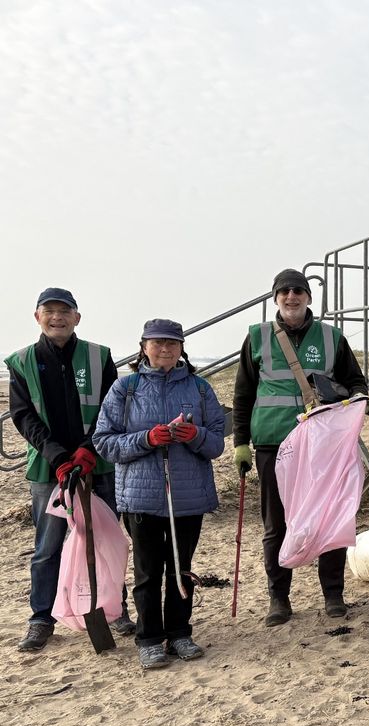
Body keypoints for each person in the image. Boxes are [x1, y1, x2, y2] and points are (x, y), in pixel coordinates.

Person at [232, 269, 368, 626]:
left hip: (321, 446)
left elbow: (356, 383)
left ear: (308, 297)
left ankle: (333, 594)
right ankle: (279, 599)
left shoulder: (331, 337)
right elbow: (244, 393)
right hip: (272, 442)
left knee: (329, 517)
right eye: (284, 292)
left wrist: (348, 408)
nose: (291, 297)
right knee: (276, 523)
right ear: (275, 298)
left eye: (298, 291)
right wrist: (241, 442)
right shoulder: (258, 337)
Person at [5, 287, 134, 652]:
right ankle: (41, 618)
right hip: (49, 470)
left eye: (65, 311)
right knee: (47, 547)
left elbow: (113, 408)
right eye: (49, 311)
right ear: (37, 317)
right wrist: (58, 456)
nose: (57, 317)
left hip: (99, 464)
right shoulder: (22, 361)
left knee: (107, 539)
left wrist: (88, 450)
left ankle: (116, 609)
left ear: (77, 317)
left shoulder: (99, 356)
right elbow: (22, 416)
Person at [93, 319, 225, 669]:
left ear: (182, 348)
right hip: (141, 497)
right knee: (148, 571)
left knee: (181, 568)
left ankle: (180, 632)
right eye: (157, 343)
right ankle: (149, 638)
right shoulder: (126, 388)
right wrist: (147, 439)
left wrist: (193, 434)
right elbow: (104, 442)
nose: (165, 349)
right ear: (144, 347)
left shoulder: (199, 389)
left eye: (172, 343)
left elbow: (216, 443)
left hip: (188, 496)